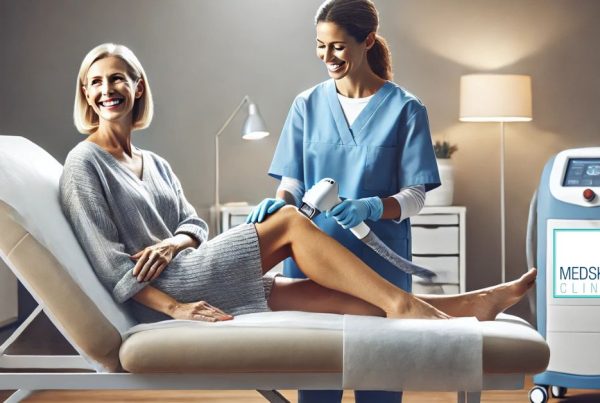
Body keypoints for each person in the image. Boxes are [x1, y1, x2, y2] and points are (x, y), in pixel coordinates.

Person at [60, 43, 536, 369]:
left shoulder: (153, 162)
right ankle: (406, 304)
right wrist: (176, 308)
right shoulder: (85, 164)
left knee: (337, 302)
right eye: (96, 82)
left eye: (117, 79)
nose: (108, 90)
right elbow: (112, 267)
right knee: (287, 219)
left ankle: (471, 304)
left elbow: (191, 224)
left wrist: (173, 240)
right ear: (85, 92)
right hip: (170, 290)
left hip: (191, 268)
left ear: (137, 86)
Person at [247, 0, 440, 401]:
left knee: (380, 388)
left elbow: (416, 197)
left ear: (367, 40)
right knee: (318, 384)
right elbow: (293, 180)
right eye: (320, 45)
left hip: (379, 261)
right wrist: (281, 203)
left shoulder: (405, 108)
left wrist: (371, 206)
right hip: (313, 263)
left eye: (337, 46)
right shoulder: (307, 105)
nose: (327, 57)